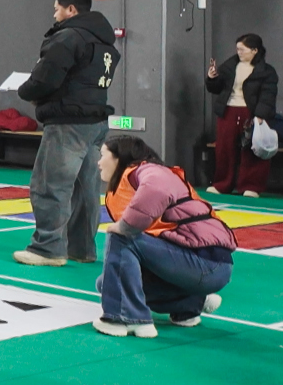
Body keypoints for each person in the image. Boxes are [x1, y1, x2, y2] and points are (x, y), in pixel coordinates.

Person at [13, 0, 119, 267]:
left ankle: (48, 248)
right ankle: (82, 249)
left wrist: (25, 91)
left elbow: (45, 78)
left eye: (57, 9)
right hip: (96, 123)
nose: (55, 15)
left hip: (67, 122)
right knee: (86, 189)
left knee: (50, 185)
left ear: (71, 9)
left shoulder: (68, 37)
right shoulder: (105, 42)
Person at [93, 135, 236, 338]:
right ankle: (190, 304)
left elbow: (156, 189)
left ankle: (125, 318)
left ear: (119, 157)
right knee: (108, 283)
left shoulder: (150, 171)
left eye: (103, 155)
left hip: (208, 260)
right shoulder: (136, 178)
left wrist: (126, 226)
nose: (99, 162)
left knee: (121, 235)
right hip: (202, 264)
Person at [204, 33, 278, 197]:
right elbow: (215, 88)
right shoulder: (229, 66)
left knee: (252, 149)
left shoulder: (267, 72)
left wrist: (260, 115)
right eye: (237, 49)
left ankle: (251, 186)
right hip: (228, 110)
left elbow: (268, 95)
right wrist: (211, 78)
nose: (239, 52)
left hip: (251, 113)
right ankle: (222, 184)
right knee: (224, 148)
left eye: (242, 49)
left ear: (254, 50)